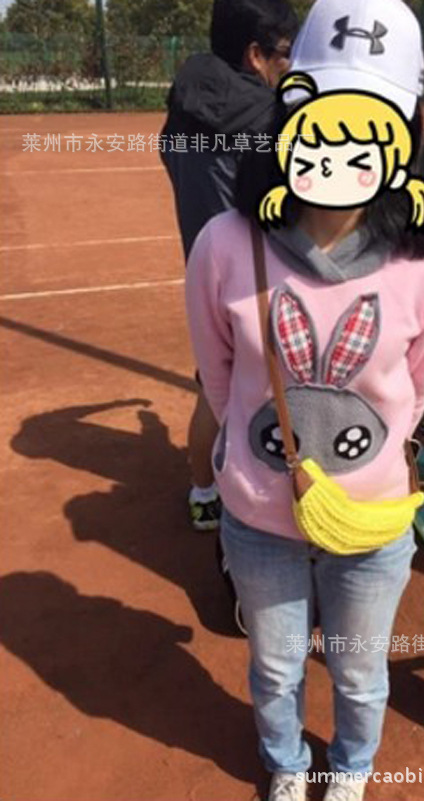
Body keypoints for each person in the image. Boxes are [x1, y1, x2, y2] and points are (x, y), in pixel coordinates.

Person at [185, 2, 424, 798]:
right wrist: (258, 467)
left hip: (372, 522)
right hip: (259, 515)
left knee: (358, 666)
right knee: (275, 663)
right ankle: (286, 763)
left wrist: (362, 469)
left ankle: (351, 770)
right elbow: (217, 373)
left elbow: (419, 383)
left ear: (407, 132)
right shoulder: (226, 244)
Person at [161, 0, 298, 530]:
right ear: (255, 54)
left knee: (212, 385)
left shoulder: (184, 103)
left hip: (204, 265)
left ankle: (204, 494)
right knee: (266, 392)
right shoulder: (265, 117)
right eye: (284, 53)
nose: (289, 65)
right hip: (259, 276)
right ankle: (257, 496)